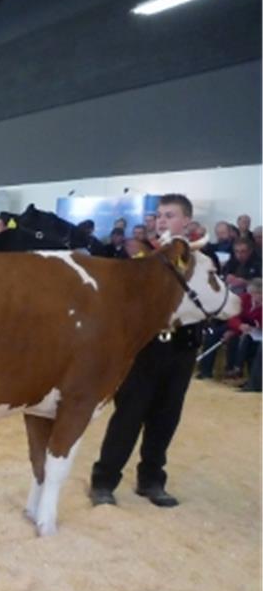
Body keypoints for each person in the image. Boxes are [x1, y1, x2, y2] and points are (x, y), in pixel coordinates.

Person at [89, 193, 208, 508]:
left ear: (186, 220)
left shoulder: (202, 260)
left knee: (166, 416)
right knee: (129, 414)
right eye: (160, 215)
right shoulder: (142, 256)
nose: (162, 221)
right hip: (147, 346)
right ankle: (104, 481)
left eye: (170, 215)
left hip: (183, 346)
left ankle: (152, 480)